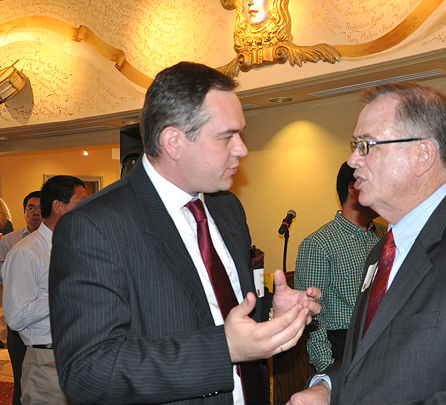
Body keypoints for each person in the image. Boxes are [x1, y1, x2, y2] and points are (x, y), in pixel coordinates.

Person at [48, 61, 321, 405]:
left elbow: (222, 311)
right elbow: (88, 372)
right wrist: (223, 349)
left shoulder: (227, 209)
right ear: (174, 142)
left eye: (241, 134)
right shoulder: (94, 226)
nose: (242, 149)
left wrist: (271, 313)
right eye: (227, 137)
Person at [288, 82, 446, 405]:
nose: (352, 161)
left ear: (422, 155)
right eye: (355, 145)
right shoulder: (382, 251)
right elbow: (374, 355)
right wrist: (327, 388)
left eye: (366, 145)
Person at [2, 176, 88, 405]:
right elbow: (16, 317)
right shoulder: (27, 252)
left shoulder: (75, 244)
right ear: (58, 206)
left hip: (81, 355)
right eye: (81, 202)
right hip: (47, 362)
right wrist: (64, 292)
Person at [294, 161, 386, 372]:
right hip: (343, 348)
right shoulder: (319, 244)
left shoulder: (383, 234)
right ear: (354, 189)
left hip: (385, 342)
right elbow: (311, 318)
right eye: (376, 183)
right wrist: (327, 371)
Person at [0, 190, 41, 405]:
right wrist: (8, 266)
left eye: (40, 207)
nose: (35, 212)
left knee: (44, 382)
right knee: (20, 379)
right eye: (30, 208)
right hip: (18, 324)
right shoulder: (9, 241)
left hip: (44, 325)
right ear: (24, 212)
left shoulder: (56, 239)